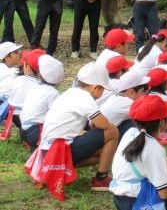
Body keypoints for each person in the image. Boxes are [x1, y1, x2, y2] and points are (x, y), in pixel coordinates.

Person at [110, 95, 167, 210]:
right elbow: (163, 194)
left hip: (120, 197)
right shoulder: (154, 147)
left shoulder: (131, 132)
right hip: (138, 202)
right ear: (162, 122)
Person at [38, 62, 119, 190]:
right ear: (96, 88)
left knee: (103, 153)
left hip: (49, 152)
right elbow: (103, 124)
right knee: (112, 130)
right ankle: (101, 179)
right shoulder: (85, 97)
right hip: (61, 149)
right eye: (103, 89)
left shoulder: (70, 93)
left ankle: (57, 170)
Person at [20, 54, 65, 150]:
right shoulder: (53, 93)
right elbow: (57, 116)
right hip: (36, 132)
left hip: (24, 130)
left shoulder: (35, 86)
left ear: (39, 74)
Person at [100, 70, 150, 140]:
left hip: (101, 134)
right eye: (142, 91)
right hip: (104, 138)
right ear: (131, 92)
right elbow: (149, 115)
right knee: (137, 123)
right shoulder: (128, 102)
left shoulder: (115, 97)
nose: (144, 94)